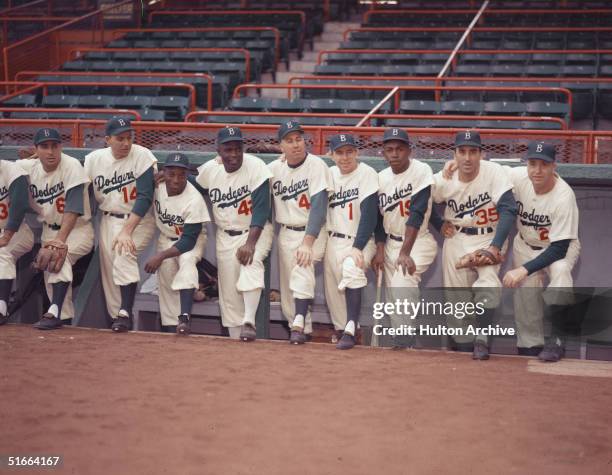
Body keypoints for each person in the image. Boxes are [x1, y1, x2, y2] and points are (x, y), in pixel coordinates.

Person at [431, 130, 517, 360]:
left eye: (473, 151)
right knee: (458, 301)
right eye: (462, 152)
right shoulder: (444, 178)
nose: (467, 157)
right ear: (455, 154)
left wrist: (495, 246)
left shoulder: (494, 172)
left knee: (488, 282)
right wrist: (438, 223)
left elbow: (508, 208)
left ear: (482, 154)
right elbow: (421, 202)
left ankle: (482, 338)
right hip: (456, 238)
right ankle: (463, 346)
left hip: (489, 237)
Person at [192, 127, 273, 341]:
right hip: (225, 234)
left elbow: (262, 208)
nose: (234, 154)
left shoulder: (255, 166)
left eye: (238, 148)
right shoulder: (211, 169)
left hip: (255, 229)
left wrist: (250, 243)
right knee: (228, 294)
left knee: (251, 261)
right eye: (228, 149)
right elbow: (192, 185)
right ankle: (237, 341)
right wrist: (164, 175)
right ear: (218, 150)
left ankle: (249, 321)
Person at [502, 141, 580, 362]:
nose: (537, 170)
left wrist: (523, 270)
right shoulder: (518, 177)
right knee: (526, 300)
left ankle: (557, 340)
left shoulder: (564, 195)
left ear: (554, 166)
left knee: (562, 273)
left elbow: (559, 248)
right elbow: (489, 171)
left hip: (558, 247)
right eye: (532, 164)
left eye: (543, 165)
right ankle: (530, 346)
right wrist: (453, 165)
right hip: (525, 243)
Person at [84, 117, 157, 332]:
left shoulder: (142, 155)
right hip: (107, 219)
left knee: (124, 252)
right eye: (120, 138)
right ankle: (119, 319)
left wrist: (127, 231)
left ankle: (124, 312)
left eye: (129, 137)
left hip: (139, 220)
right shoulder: (93, 159)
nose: (126, 143)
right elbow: (77, 185)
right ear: (107, 139)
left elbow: (144, 197)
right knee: (110, 276)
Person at [19, 128, 94, 330]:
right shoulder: (28, 167)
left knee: (61, 257)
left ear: (61, 147)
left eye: (55, 146)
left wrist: (59, 241)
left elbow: (74, 208)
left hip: (77, 229)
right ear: (36, 149)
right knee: (53, 283)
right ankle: (62, 318)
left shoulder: (71, 166)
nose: (51, 151)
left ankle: (53, 311)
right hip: (48, 230)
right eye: (44, 147)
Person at [370, 128, 438, 348]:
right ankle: (403, 342)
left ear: (409, 150)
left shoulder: (421, 170)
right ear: (383, 153)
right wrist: (380, 249)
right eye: (389, 149)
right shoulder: (380, 178)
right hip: (390, 241)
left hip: (418, 241)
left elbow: (418, 212)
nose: (395, 154)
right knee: (393, 296)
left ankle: (404, 335)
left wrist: (405, 252)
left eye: (400, 149)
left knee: (402, 281)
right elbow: (378, 220)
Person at [268, 121, 332, 344]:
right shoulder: (275, 169)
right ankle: (299, 330)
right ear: (281, 146)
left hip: (312, 231)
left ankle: (298, 322)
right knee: (287, 291)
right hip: (286, 231)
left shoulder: (316, 165)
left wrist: (307, 242)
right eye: (289, 140)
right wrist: (218, 162)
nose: (295, 144)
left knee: (302, 267)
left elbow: (319, 208)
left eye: (298, 139)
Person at [144, 153, 210, 335]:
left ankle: (185, 316)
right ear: (164, 172)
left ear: (188, 174)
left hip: (191, 240)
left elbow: (188, 241)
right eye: (171, 173)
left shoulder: (194, 199)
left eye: (181, 174)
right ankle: (171, 327)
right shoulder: (157, 186)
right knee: (166, 280)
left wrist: (160, 255)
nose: (176, 179)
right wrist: (151, 179)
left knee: (187, 261)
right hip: (166, 237)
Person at [324, 133, 378, 350]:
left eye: (349, 152)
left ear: (357, 152)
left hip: (361, 239)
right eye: (339, 153)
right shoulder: (328, 174)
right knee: (334, 291)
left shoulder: (367, 173)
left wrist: (358, 246)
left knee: (351, 269)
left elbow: (369, 215)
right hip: (333, 238)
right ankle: (342, 329)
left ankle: (351, 327)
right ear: (331, 155)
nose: (345, 157)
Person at [0, 156, 33, 325]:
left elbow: (20, 204)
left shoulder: (11, 171)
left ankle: (1, 307)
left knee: (2, 252)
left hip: (18, 232)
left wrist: (7, 236)